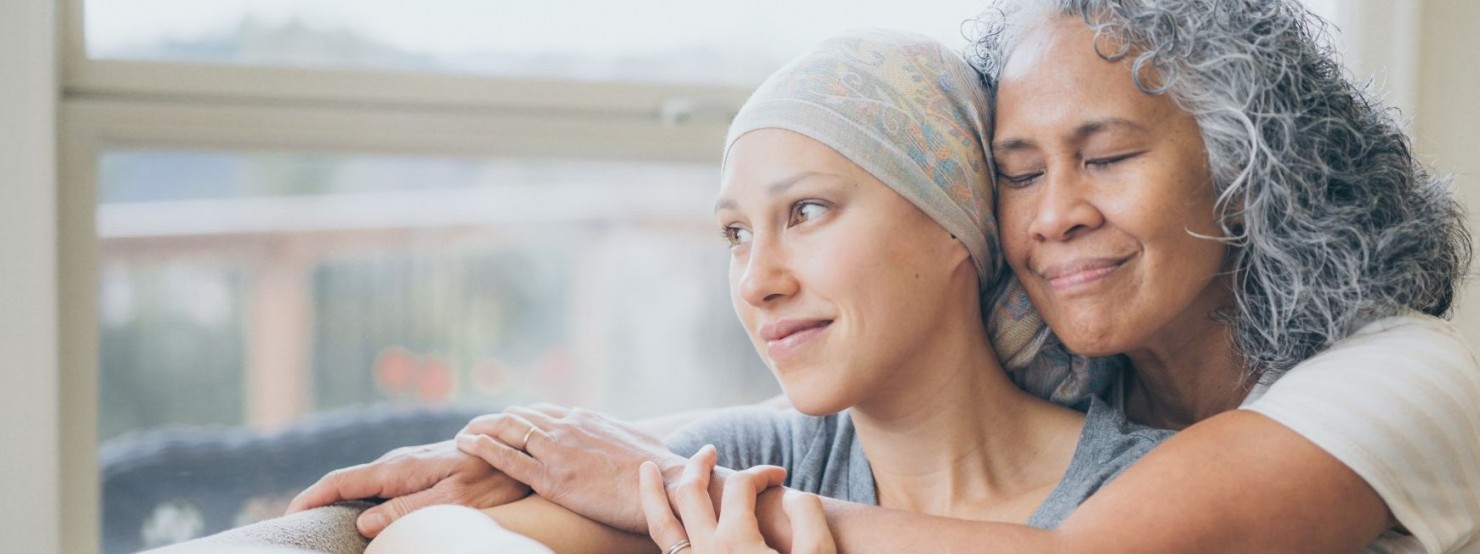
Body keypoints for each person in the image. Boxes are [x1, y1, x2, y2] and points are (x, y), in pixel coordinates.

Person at [298, 0, 1480, 552]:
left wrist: (668, 484)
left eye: (1106, 156)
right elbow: (801, 415)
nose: (1055, 212)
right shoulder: (1077, 359)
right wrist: (528, 448)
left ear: (1243, 168)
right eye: (1017, 171)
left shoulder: (1404, 376)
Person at [342, 27, 1171, 553]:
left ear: (955, 222)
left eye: (805, 212)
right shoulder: (744, 466)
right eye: (735, 234)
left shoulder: (1149, 499)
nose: (758, 282)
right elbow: (431, 543)